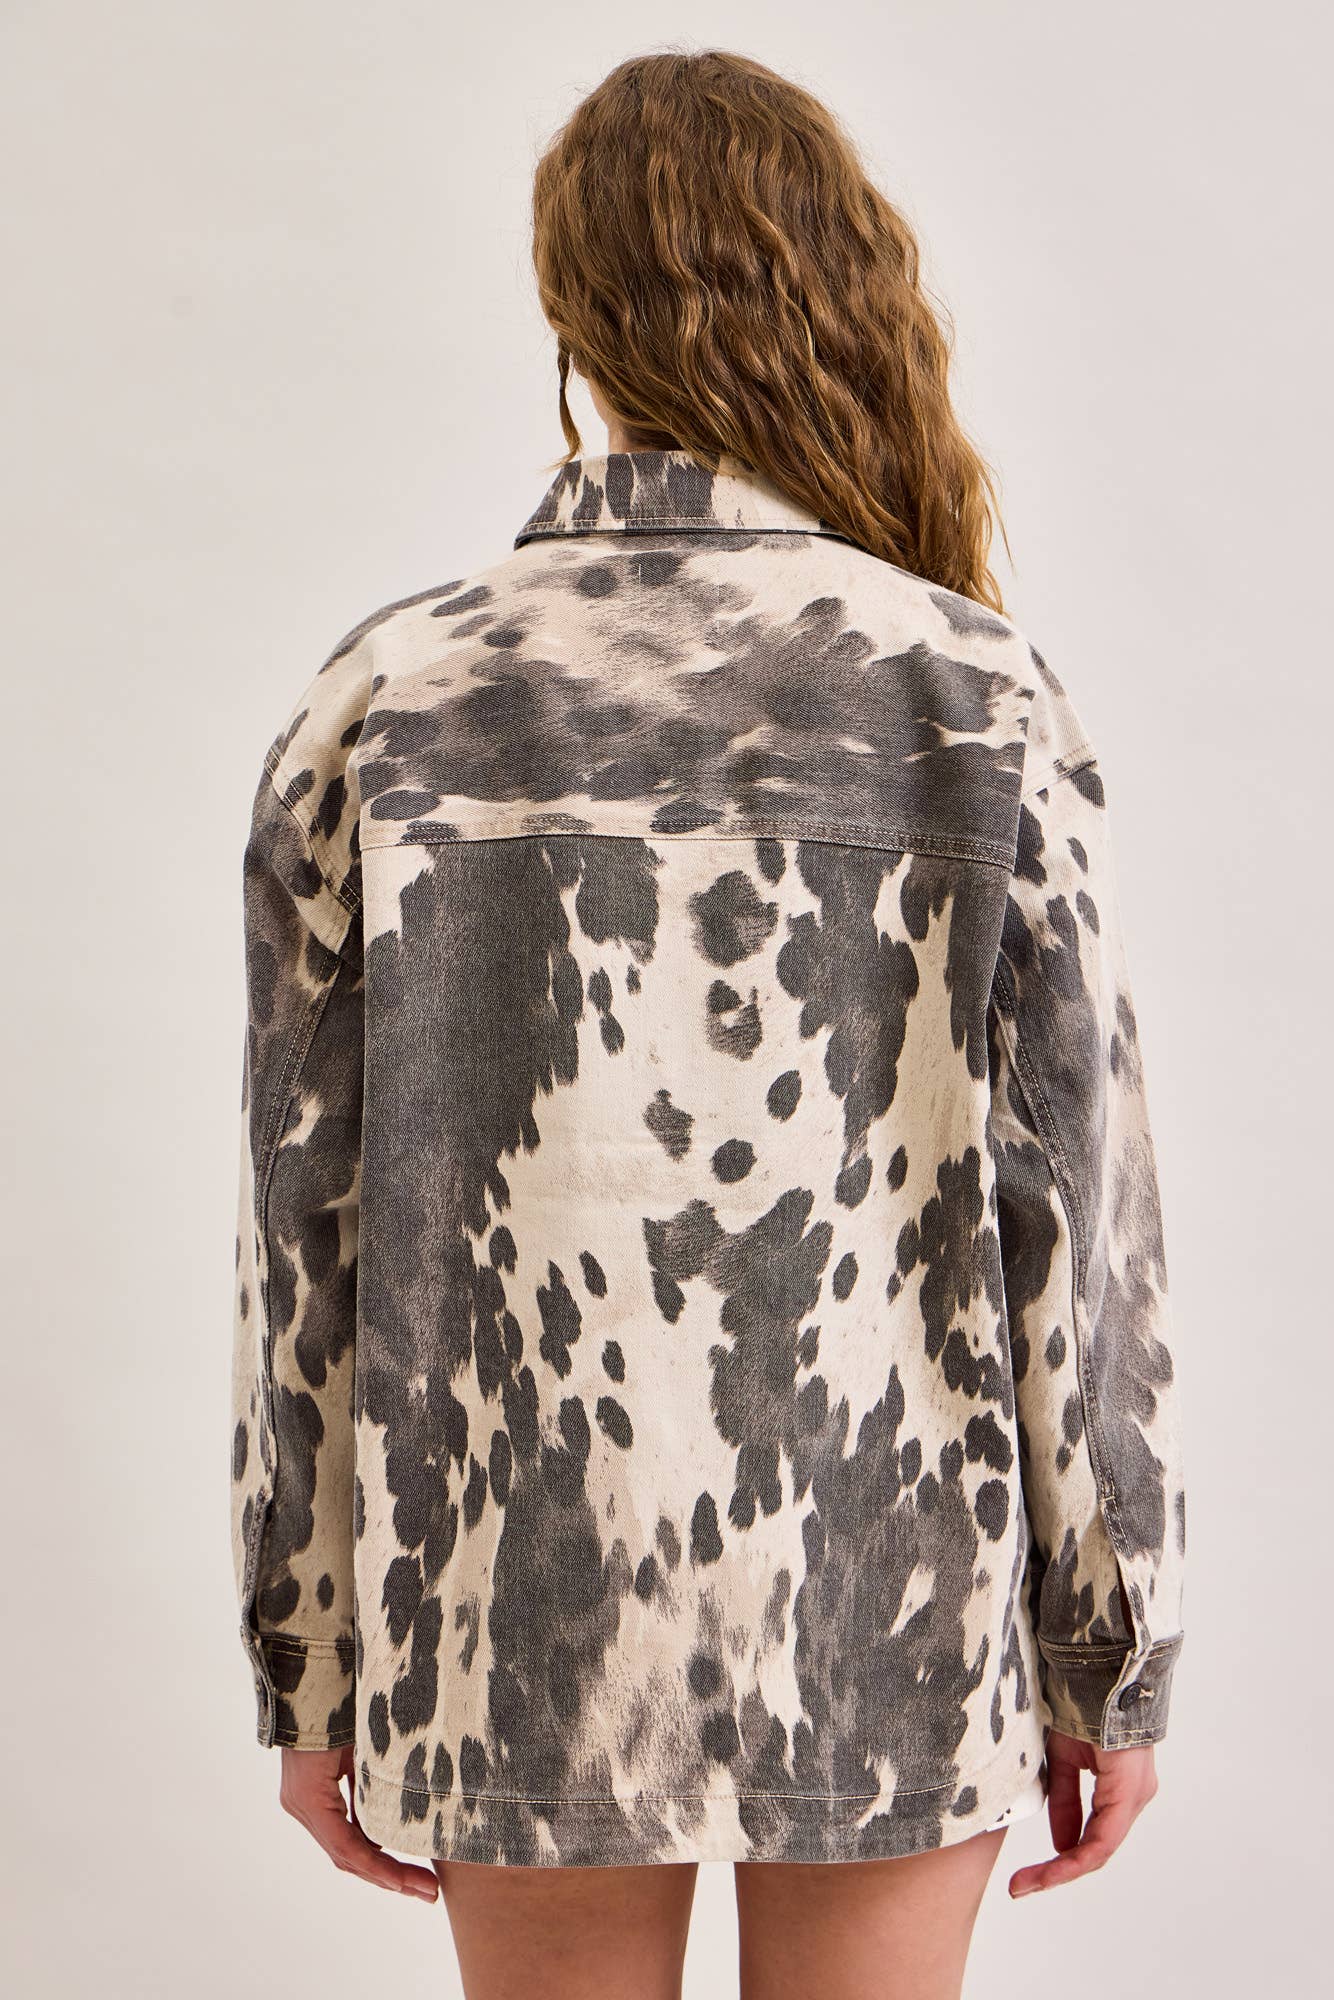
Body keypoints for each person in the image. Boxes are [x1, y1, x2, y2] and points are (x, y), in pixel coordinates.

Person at [229, 46, 1187, 2000]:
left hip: (511, 1597)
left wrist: (310, 1652)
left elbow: (303, 1228)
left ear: (573, 313)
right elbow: (1076, 1225)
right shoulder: (969, 692)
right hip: (892, 1580)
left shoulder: (389, 698)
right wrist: (1112, 1644)